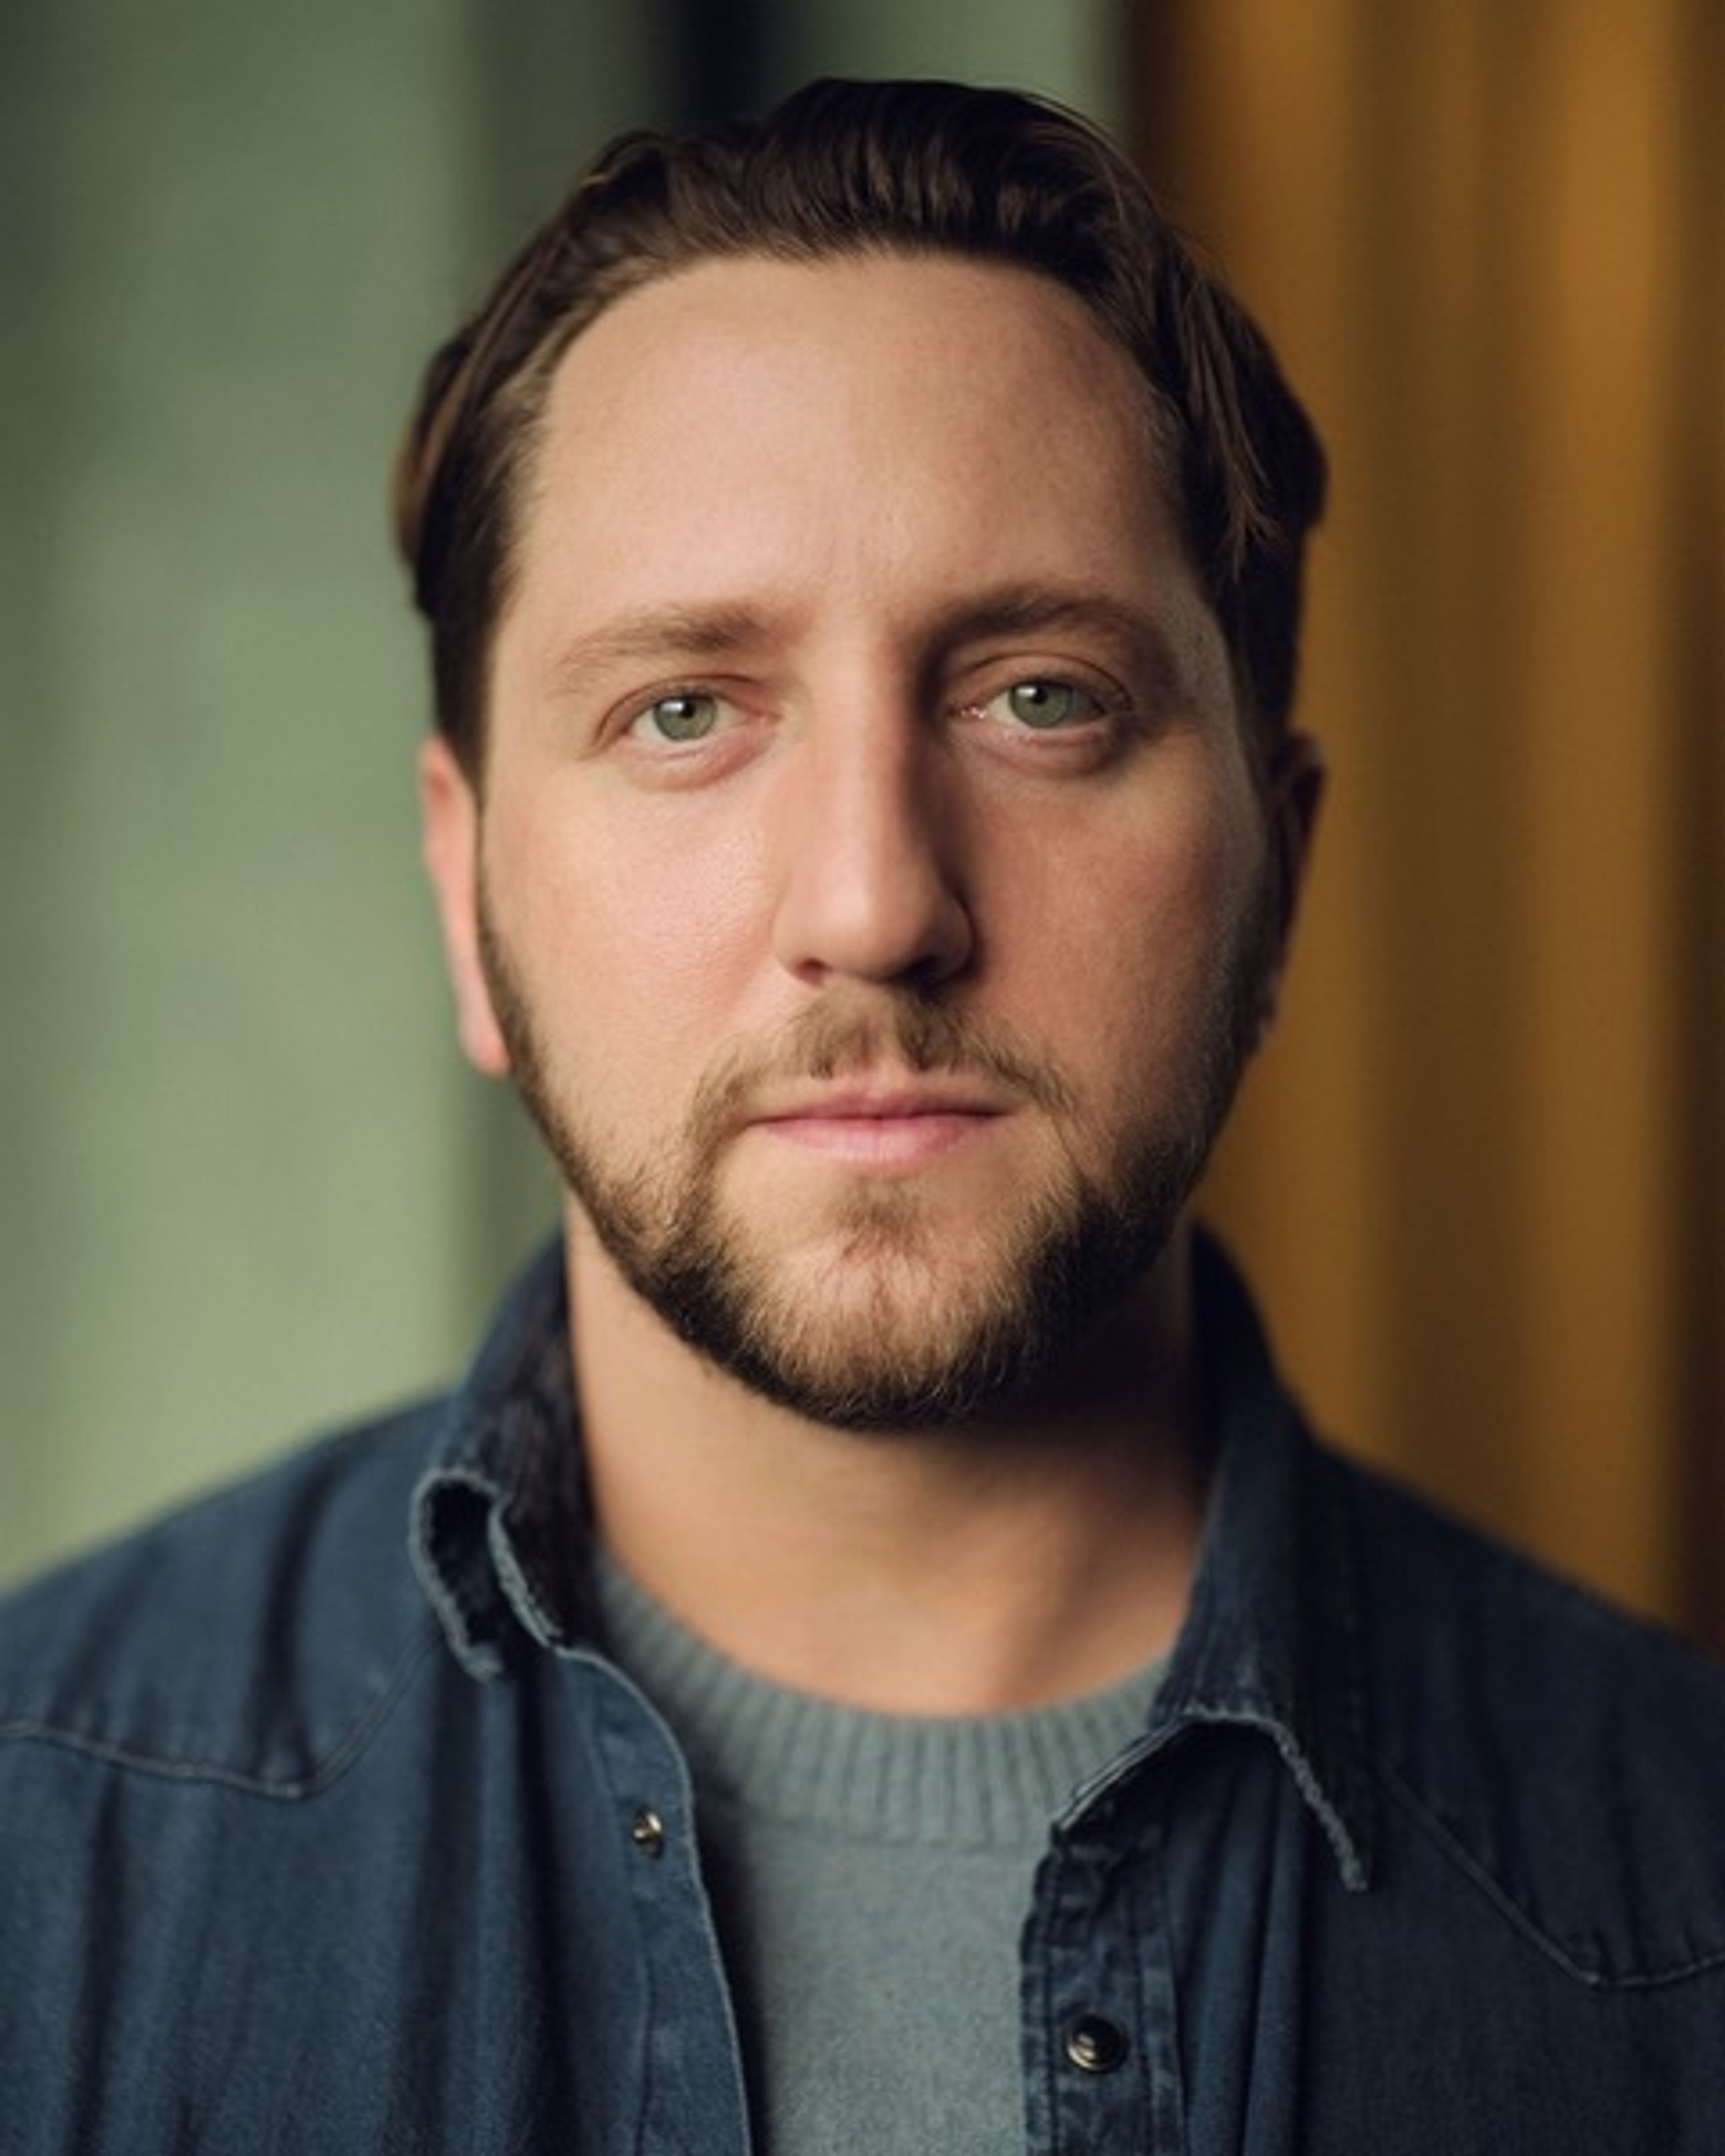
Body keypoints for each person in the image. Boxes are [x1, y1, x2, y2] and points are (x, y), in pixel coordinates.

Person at [3, 76, 1722, 2155]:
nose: (875, 900)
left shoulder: (1675, 1920)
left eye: (1038, 695)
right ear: (466, 901)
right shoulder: (47, 1844)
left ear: (1279, 876)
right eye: (684, 710)